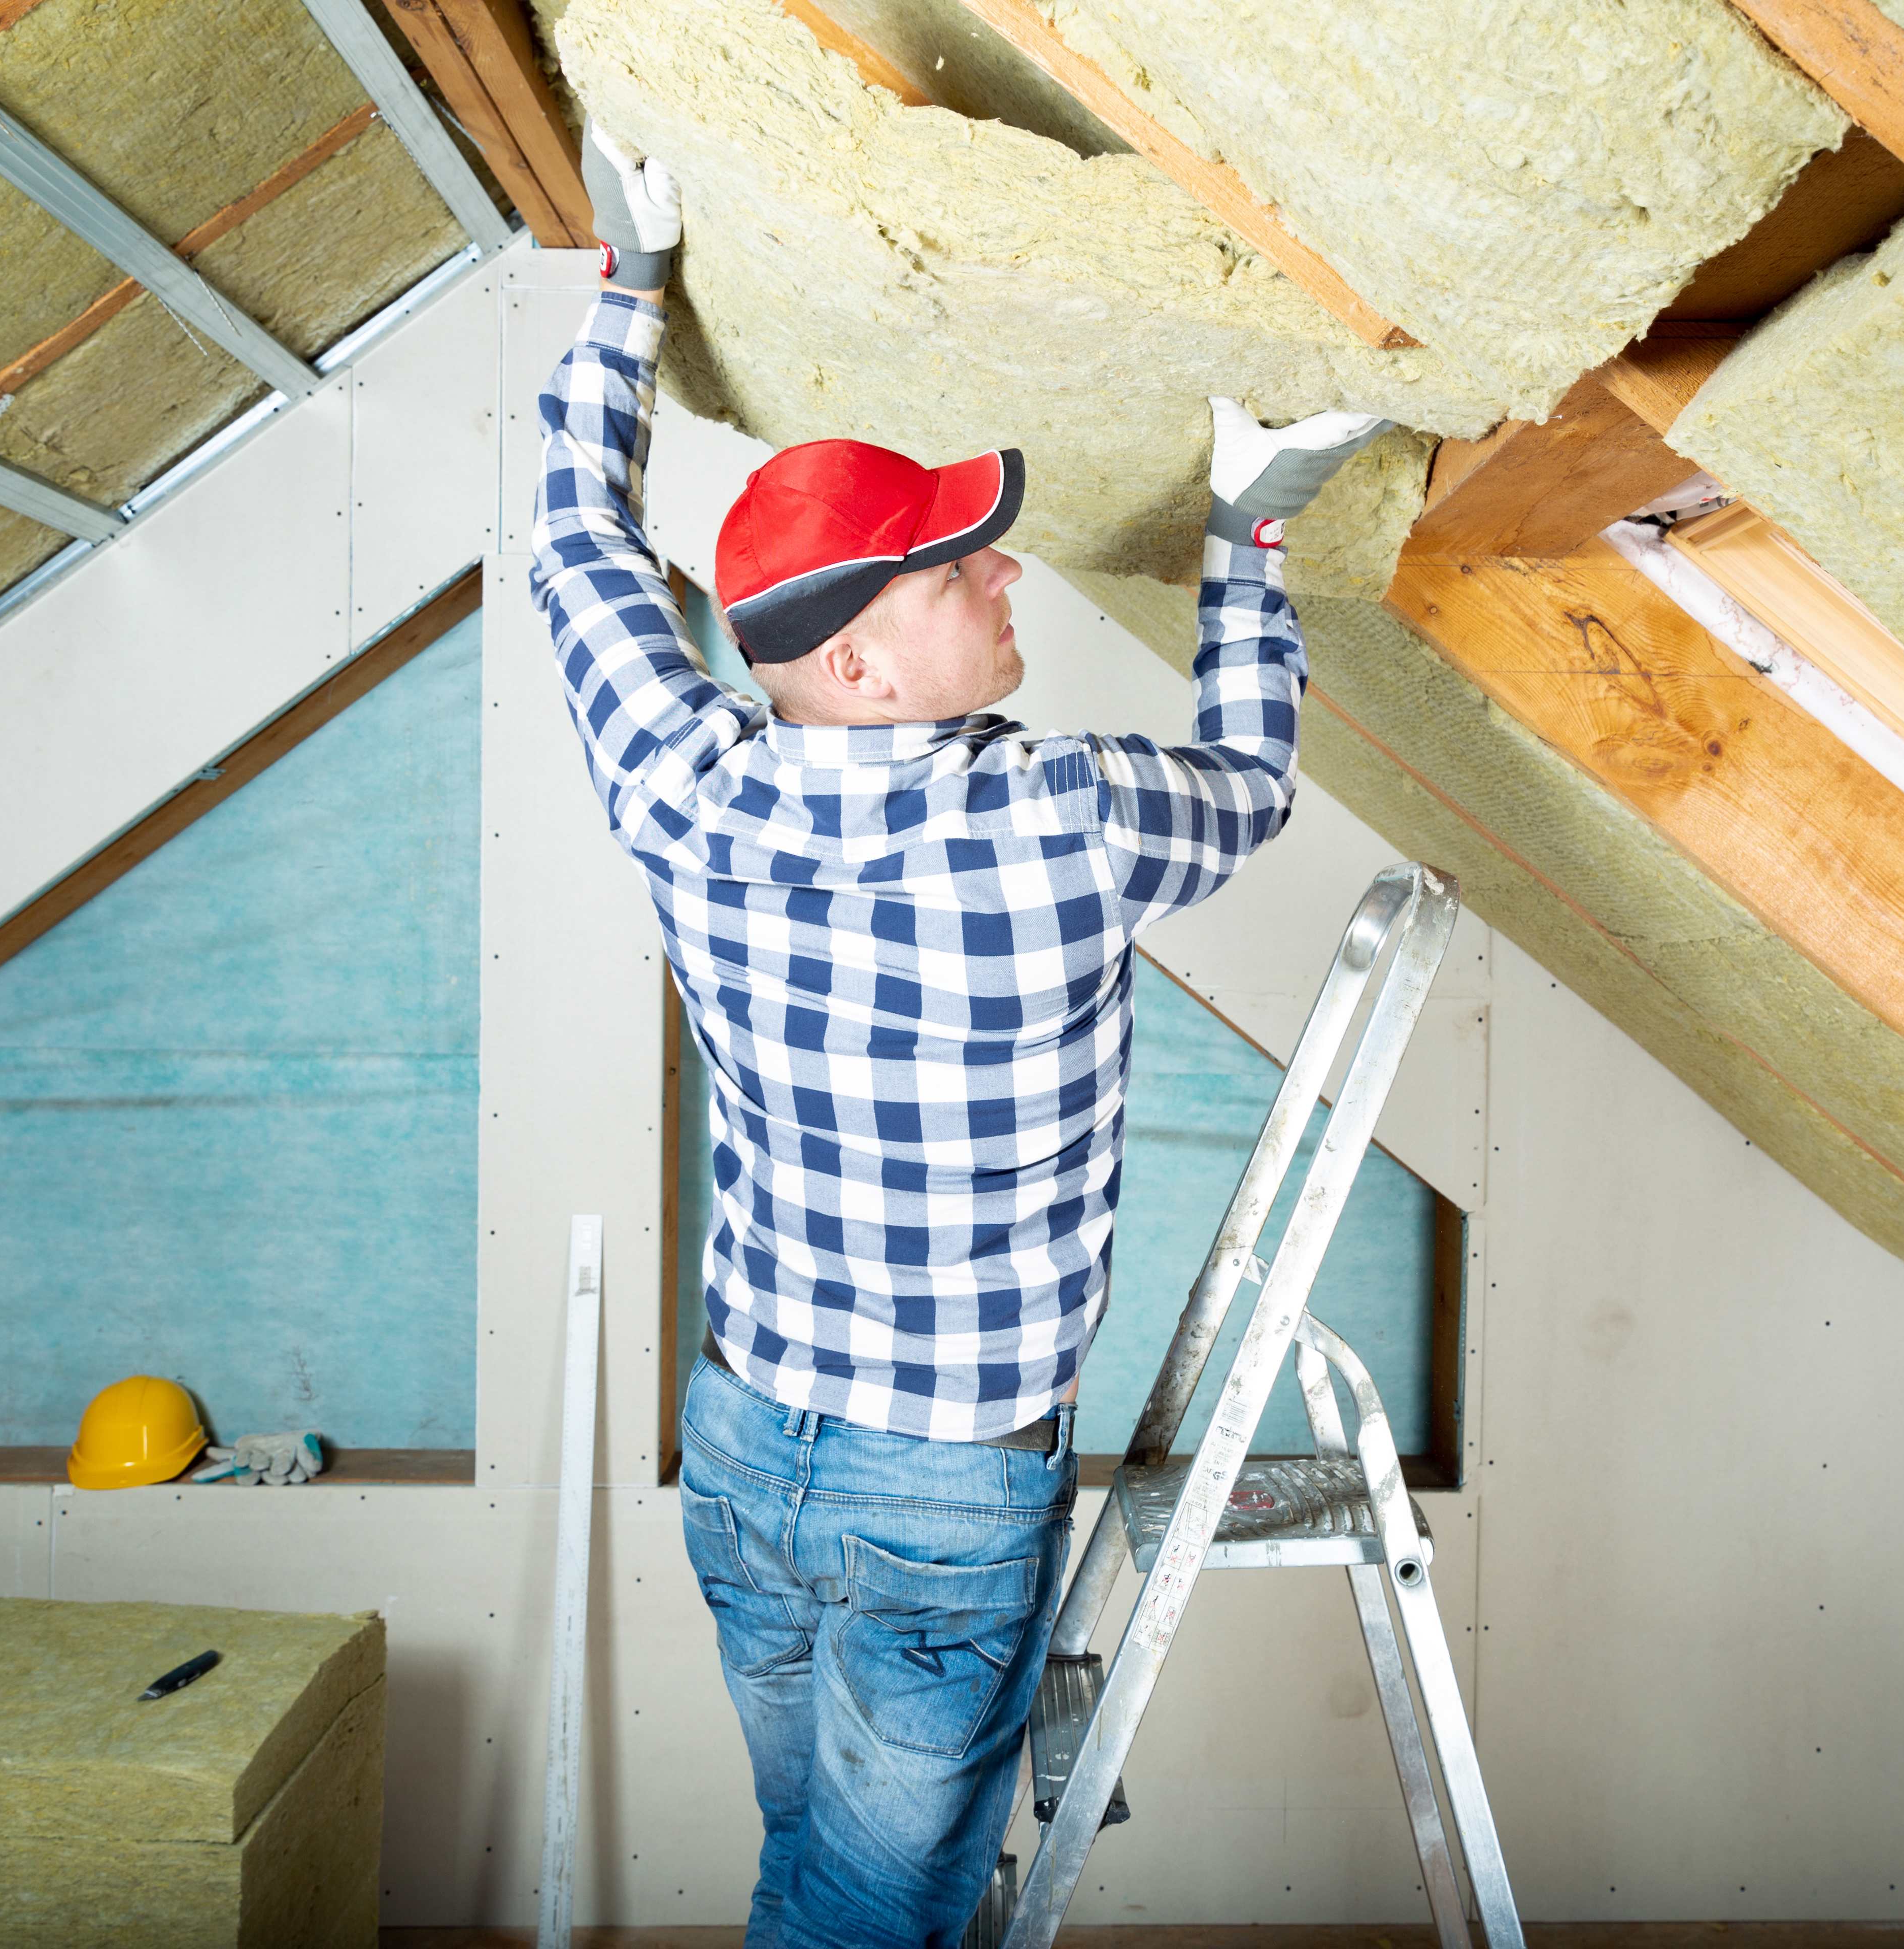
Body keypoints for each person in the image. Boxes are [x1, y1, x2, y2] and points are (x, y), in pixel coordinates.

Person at [530, 122, 1388, 1949]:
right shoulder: (1064, 821)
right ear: (856, 664)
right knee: (864, 1921)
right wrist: (1252, 529)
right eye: (958, 576)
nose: (1011, 584)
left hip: (749, 1449)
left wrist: (630, 290)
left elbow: (570, 546)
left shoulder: (682, 788)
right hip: (945, 1483)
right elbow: (1246, 785)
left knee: (817, 1874)